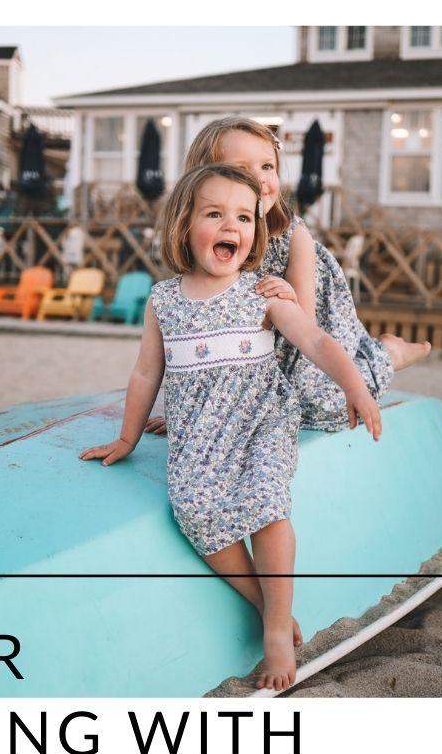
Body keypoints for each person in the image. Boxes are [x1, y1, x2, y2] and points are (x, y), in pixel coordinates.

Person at [80, 164, 382, 692]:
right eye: (214, 214)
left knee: (266, 505)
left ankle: (273, 635)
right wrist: (127, 437)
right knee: (194, 510)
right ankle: (267, 603)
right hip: (200, 430)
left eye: (243, 217)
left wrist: (355, 384)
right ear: (184, 225)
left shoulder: (264, 294)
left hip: (263, 417)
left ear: (254, 235)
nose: (231, 226)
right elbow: (147, 370)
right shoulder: (164, 300)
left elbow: (313, 342)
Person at [145, 117, 429, 436]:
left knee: (328, 408)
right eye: (242, 168)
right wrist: (189, 414)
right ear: (205, 181)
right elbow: (194, 337)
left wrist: (287, 295)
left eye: (267, 166)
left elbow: (305, 330)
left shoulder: (294, 236)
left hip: (303, 336)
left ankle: (386, 353)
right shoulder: (208, 239)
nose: (260, 179)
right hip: (250, 350)